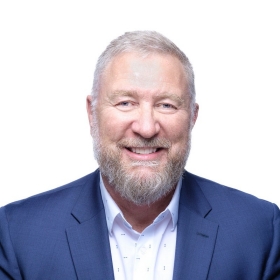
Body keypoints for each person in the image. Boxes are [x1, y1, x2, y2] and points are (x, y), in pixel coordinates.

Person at [0, 31, 279, 280]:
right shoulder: (18, 235)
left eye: (167, 105)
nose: (146, 127)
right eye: (125, 103)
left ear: (192, 118)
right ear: (91, 113)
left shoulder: (260, 231)